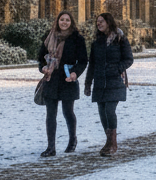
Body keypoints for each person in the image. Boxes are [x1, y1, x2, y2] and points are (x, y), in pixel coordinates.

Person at [37, 10, 88, 157]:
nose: (64, 22)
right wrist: (43, 68)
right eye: (62, 19)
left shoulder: (77, 38)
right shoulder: (49, 36)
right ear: (57, 21)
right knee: (50, 114)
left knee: (68, 112)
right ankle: (51, 147)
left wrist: (75, 73)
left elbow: (83, 60)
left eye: (67, 20)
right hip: (51, 79)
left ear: (71, 22)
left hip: (68, 79)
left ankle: (72, 140)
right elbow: (40, 57)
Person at [85, 11, 134, 156]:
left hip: (114, 81)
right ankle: (108, 141)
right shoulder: (96, 42)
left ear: (109, 22)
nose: (98, 23)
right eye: (97, 21)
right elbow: (92, 64)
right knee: (102, 111)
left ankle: (113, 143)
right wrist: (88, 83)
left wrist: (117, 69)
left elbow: (129, 59)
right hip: (100, 82)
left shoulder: (120, 39)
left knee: (109, 110)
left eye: (102, 21)